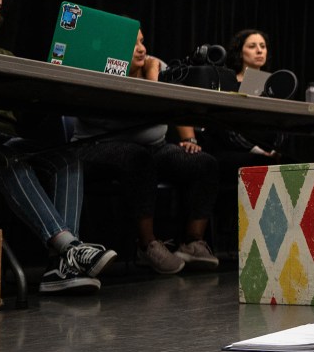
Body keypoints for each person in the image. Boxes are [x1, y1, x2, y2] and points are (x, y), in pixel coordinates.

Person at [0, 0, 115, 293]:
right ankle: (71, 247)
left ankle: (61, 267)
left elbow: (26, 105)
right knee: (9, 157)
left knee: (67, 158)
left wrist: (52, 81)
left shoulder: (3, 55)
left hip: (3, 137)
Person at [72, 29, 220, 273]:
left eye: (141, 41)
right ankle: (147, 245)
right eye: (132, 43)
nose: (141, 49)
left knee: (203, 163)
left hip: (154, 148)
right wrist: (151, 78)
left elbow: (178, 106)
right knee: (138, 159)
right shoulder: (96, 68)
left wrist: (189, 138)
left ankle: (192, 242)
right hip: (97, 147)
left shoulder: (159, 66)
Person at [202, 28, 281, 167]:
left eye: (263, 46)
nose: (259, 51)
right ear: (240, 52)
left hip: (269, 152)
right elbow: (225, 127)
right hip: (232, 151)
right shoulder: (228, 80)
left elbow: (281, 123)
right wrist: (256, 150)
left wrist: (275, 150)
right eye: (252, 46)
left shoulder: (273, 85)